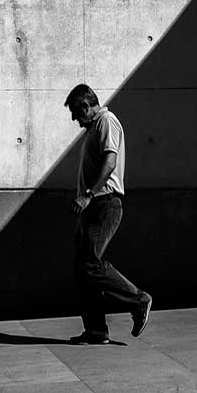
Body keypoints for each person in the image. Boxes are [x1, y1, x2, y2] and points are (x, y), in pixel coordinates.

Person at [64, 84, 152, 344]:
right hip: (93, 207)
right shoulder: (94, 128)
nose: (75, 120)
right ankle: (96, 330)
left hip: (104, 204)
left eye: (76, 113)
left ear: (85, 106)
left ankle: (139, 300)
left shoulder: (107, 121)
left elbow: (110, 162)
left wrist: (88, 195)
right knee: (83, 268)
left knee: (89, 263)